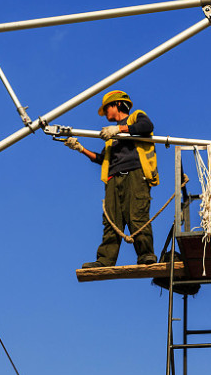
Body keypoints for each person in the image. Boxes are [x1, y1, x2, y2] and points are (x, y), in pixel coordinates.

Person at [64, 90, 159, 268]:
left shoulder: (135, 118)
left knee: (137, 216)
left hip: (135, 174)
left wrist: (119, 129)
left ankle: (146, 255)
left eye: (107, 107)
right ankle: (105, 260)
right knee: (111, 221)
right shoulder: (110, 137)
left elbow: (146, 127)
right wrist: (79, 148)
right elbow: (102, 159)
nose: (105, 112)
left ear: (117, 105)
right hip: (113, 178)